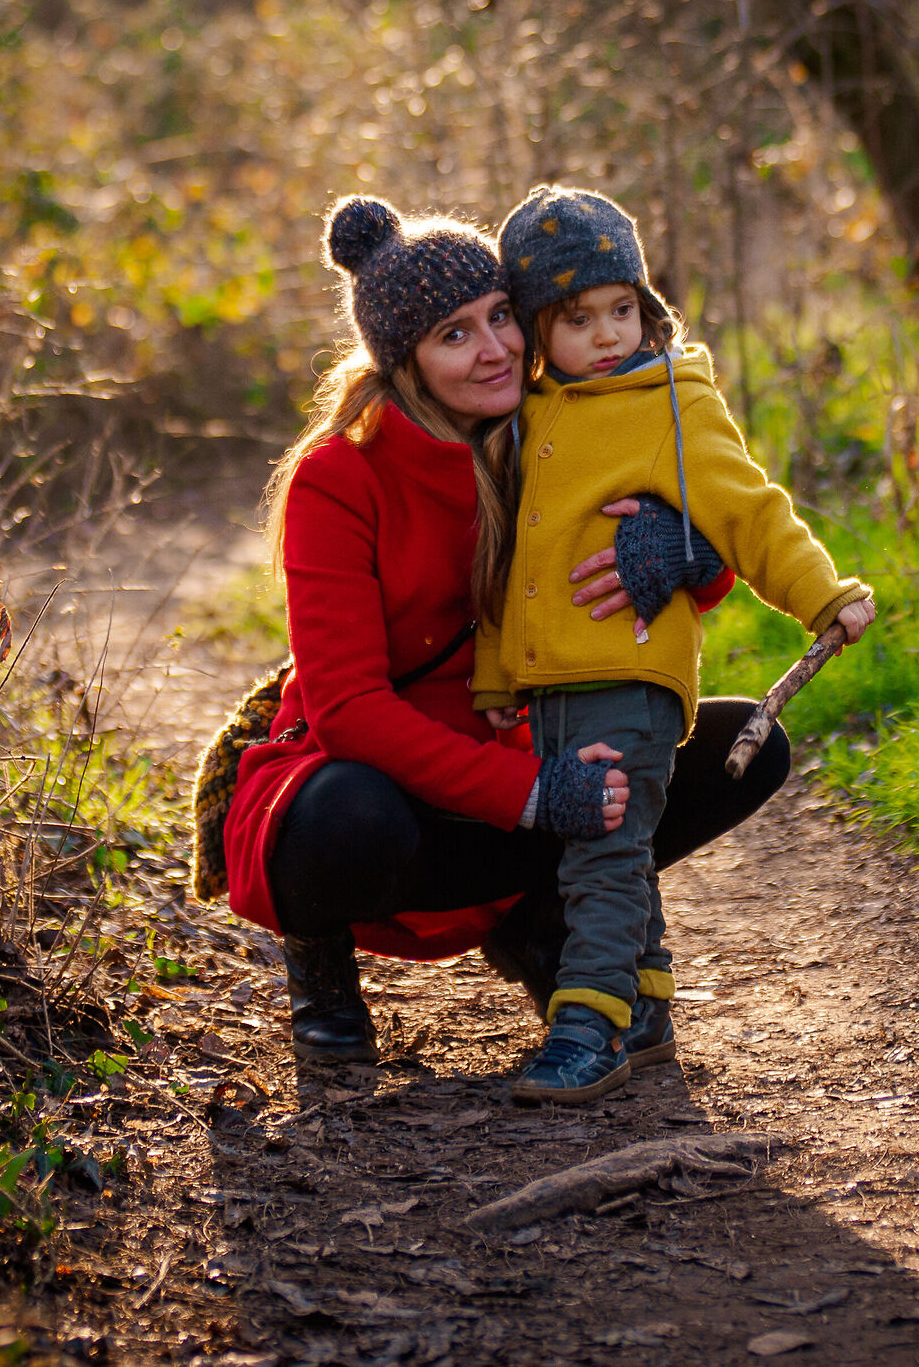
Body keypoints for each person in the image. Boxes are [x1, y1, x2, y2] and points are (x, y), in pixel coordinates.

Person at [218, 193, 788, 1069]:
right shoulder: (340, 477)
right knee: (350, 819)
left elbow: (684, 582)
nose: (494, 349)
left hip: (529, 752)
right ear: (404, 357)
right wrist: (530, 793)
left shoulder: (548, 431)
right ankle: (320, 957)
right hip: (383, 781)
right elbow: (349, 710)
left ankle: (538, 912)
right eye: (454, 334)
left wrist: (684, 552)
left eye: (499, 318)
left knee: (745, 745)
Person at [471, 185, 877, 1103]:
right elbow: (510, 562)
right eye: (578, 319)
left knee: (603, 854)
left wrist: (826, 595)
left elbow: (751, 511)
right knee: (613, 841)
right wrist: (496, 673)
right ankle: (647, 1013)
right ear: (538, 331)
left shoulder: (673, 402)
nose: (608, 334)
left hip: (634, 673)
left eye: (623, 309)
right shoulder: (528, 421)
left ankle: (592, 1027)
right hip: (549, 687)